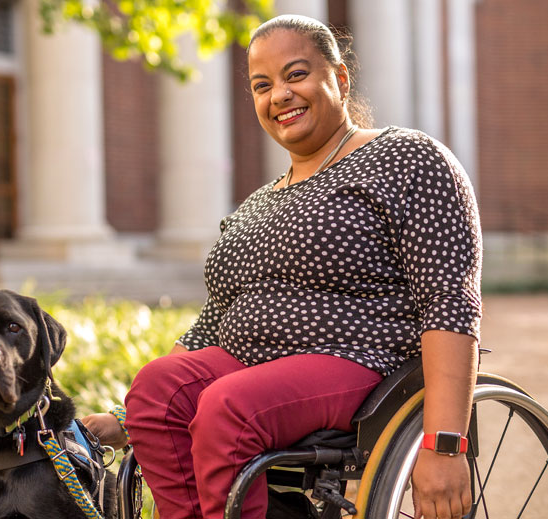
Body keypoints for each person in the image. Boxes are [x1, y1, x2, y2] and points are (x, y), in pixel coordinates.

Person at [83, 14, 482, 519]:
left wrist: (444, 444)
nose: (279, 96)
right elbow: (214, 321)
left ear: (339, 78)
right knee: (156, 390)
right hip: (250, 368)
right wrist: (129, 417)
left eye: (295, 75)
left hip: (359, 358)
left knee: (228, 406)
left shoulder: (405, 157)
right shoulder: (255, 203)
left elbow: (450, 301)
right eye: (261, 85)